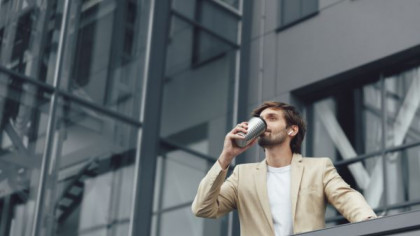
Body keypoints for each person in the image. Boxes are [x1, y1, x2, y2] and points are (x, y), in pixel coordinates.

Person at [191, 101, 376, 236]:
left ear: (291, 130)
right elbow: (202, 208)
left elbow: (347, 198)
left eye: (271, 118)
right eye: (260, 120)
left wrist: (370, 223)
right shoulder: (242, 175)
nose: (263, 124)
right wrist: (226, 156)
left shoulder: (318, 169)